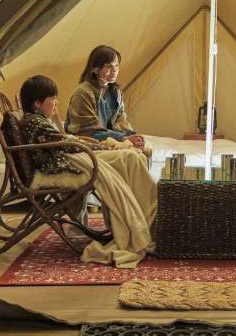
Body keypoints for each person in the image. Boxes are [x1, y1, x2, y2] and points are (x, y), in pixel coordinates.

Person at [19, 75, 158, 268]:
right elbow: (66, 143)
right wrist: (104, 147)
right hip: (68, 163)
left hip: (76, 156)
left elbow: (63, 139)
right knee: (129, 158)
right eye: (53, 99)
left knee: (131, 158)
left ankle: (148, 219)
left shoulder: (39, 120)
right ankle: (145, 224)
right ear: (37, 103)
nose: (56, 103)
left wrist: (102, 146)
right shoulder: (34, 122)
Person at [66, 45, 145, 150]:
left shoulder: (115, 93)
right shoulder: (83, 93)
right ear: (95, 68)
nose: (114, 70)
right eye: (108, 66)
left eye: (116, 66)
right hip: (87, 143)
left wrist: (133, 136)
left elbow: (121, 121)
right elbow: (88, 131)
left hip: (110, 141)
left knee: (144, 151)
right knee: (129, 156)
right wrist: (123, 138)